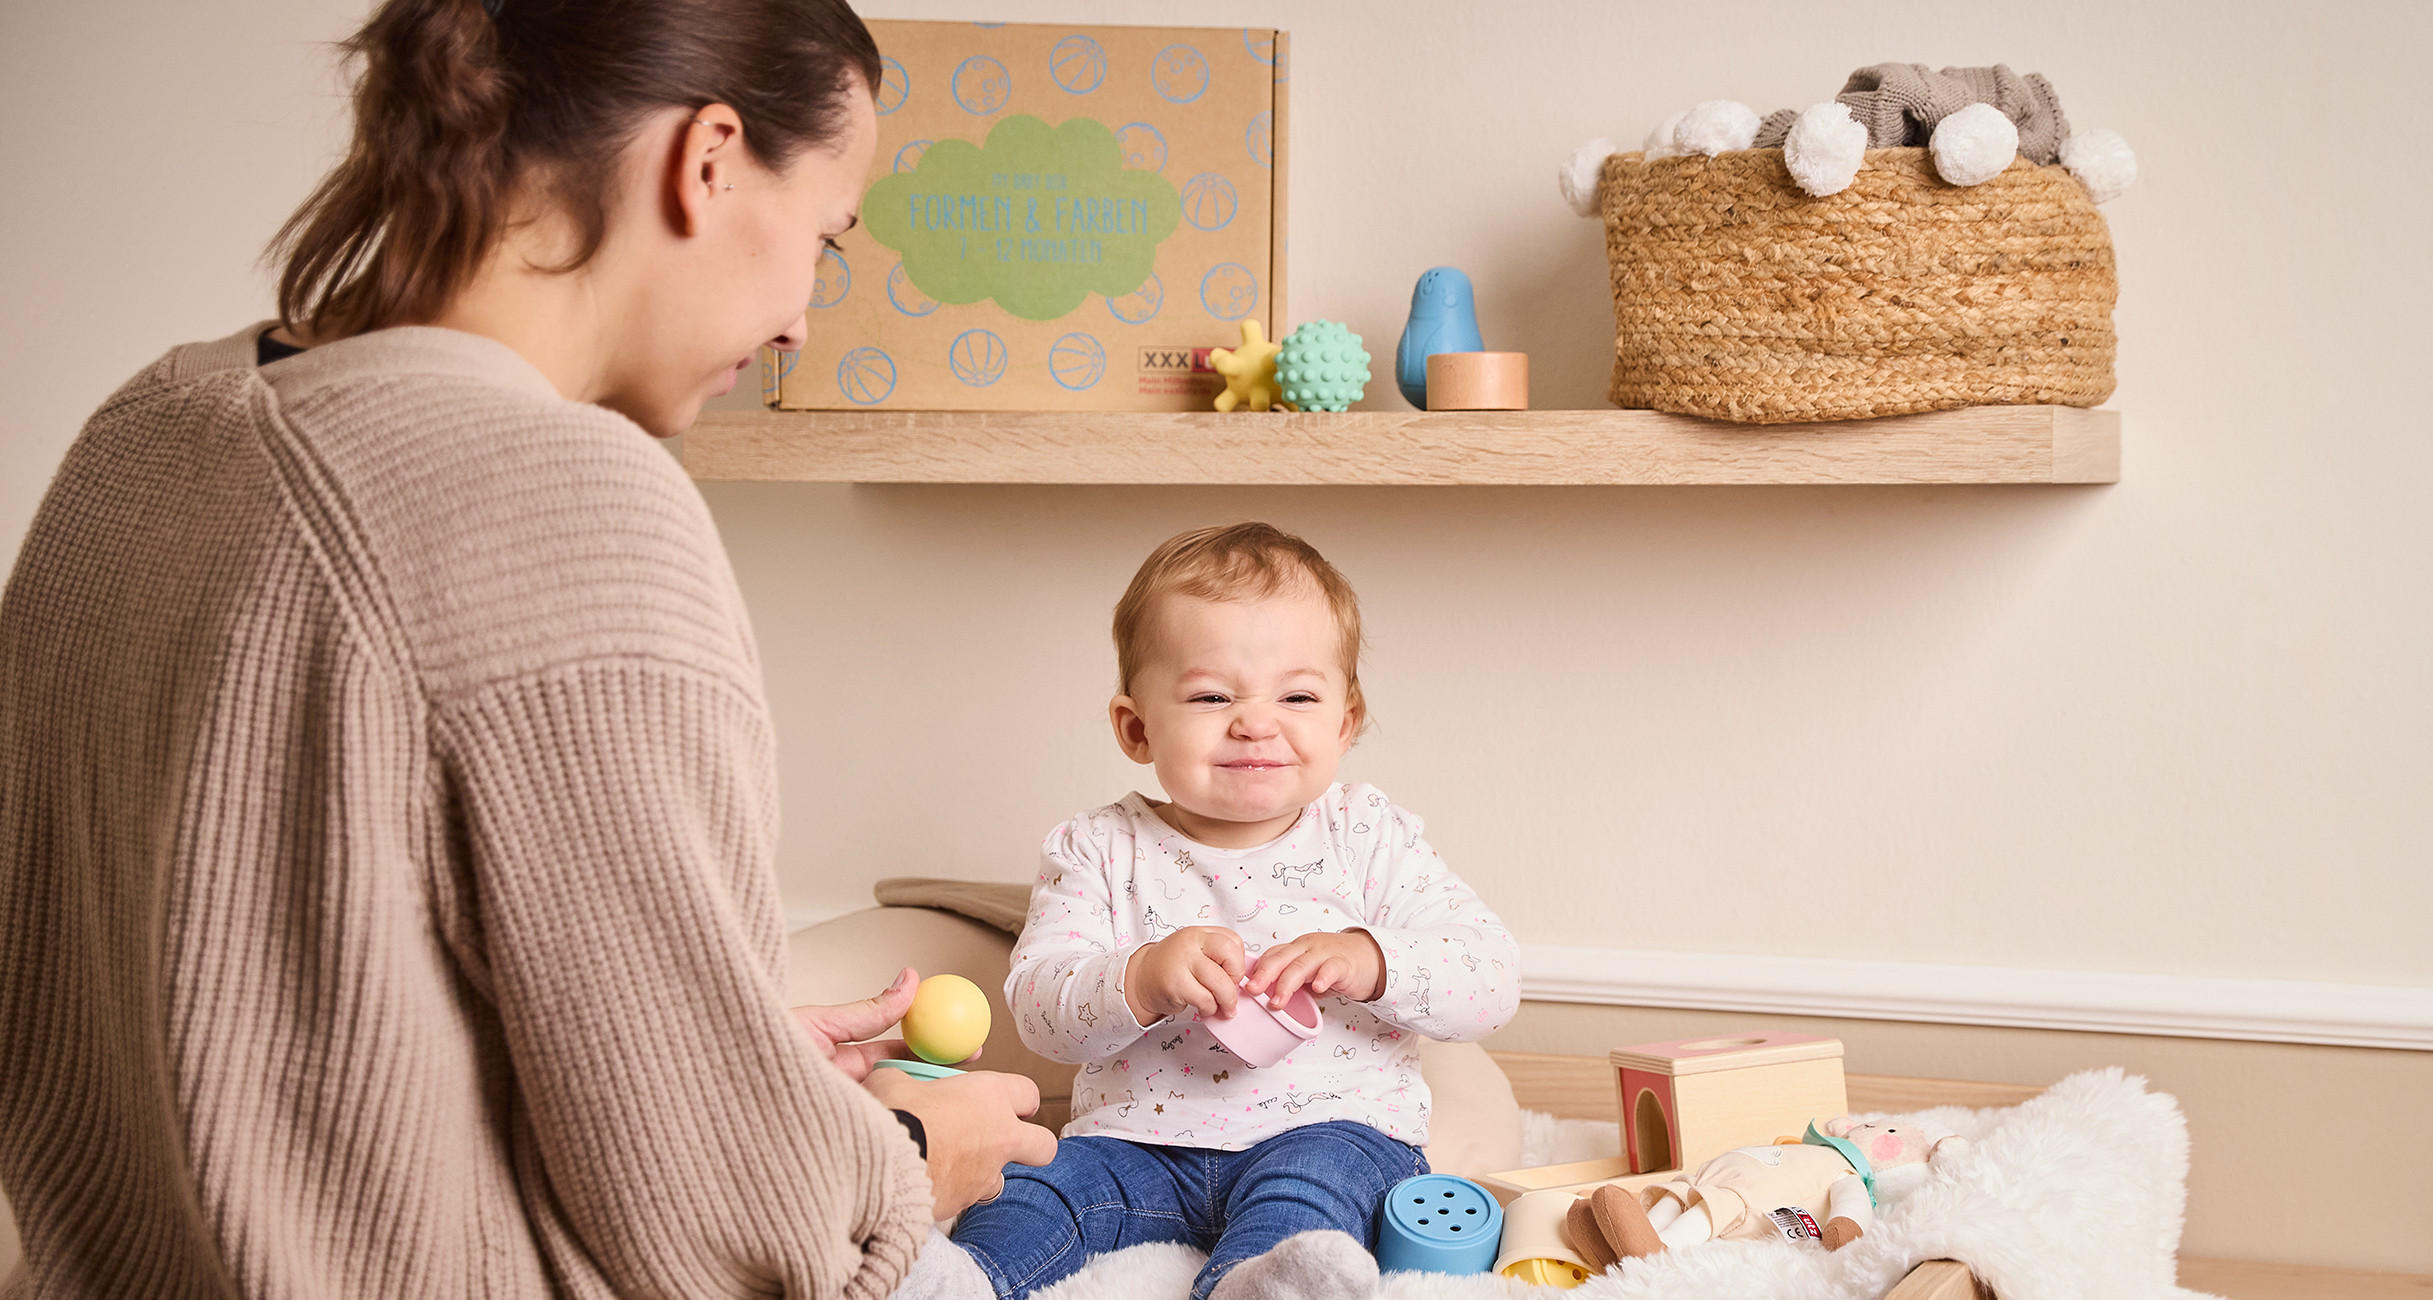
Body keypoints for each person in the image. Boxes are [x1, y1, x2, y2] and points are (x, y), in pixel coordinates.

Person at [0, 1, 1052, 1295]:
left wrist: (725, 1051)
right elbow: (727, 1231)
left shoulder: (151, 426)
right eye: (824, 244)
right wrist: (897, 1153)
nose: (797, 324)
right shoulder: (565, 499)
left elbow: (240, 987)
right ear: (706, 158)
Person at [905, 524, 1523, 1300]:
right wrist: (1139, 979)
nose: (1256, 721)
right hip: (1133, 1145)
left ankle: (1257, 1286)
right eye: (1211, 696)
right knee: (1035, 1183)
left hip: (1327, 1129)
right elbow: (1040, 1010)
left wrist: (1373, 958)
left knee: (1316, 1198)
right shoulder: (1100, 848)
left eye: (1297, 695)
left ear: (1345, 719)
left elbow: (1492, 978)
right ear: (1136, 727)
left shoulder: (1369, 837)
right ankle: (955, 1281)